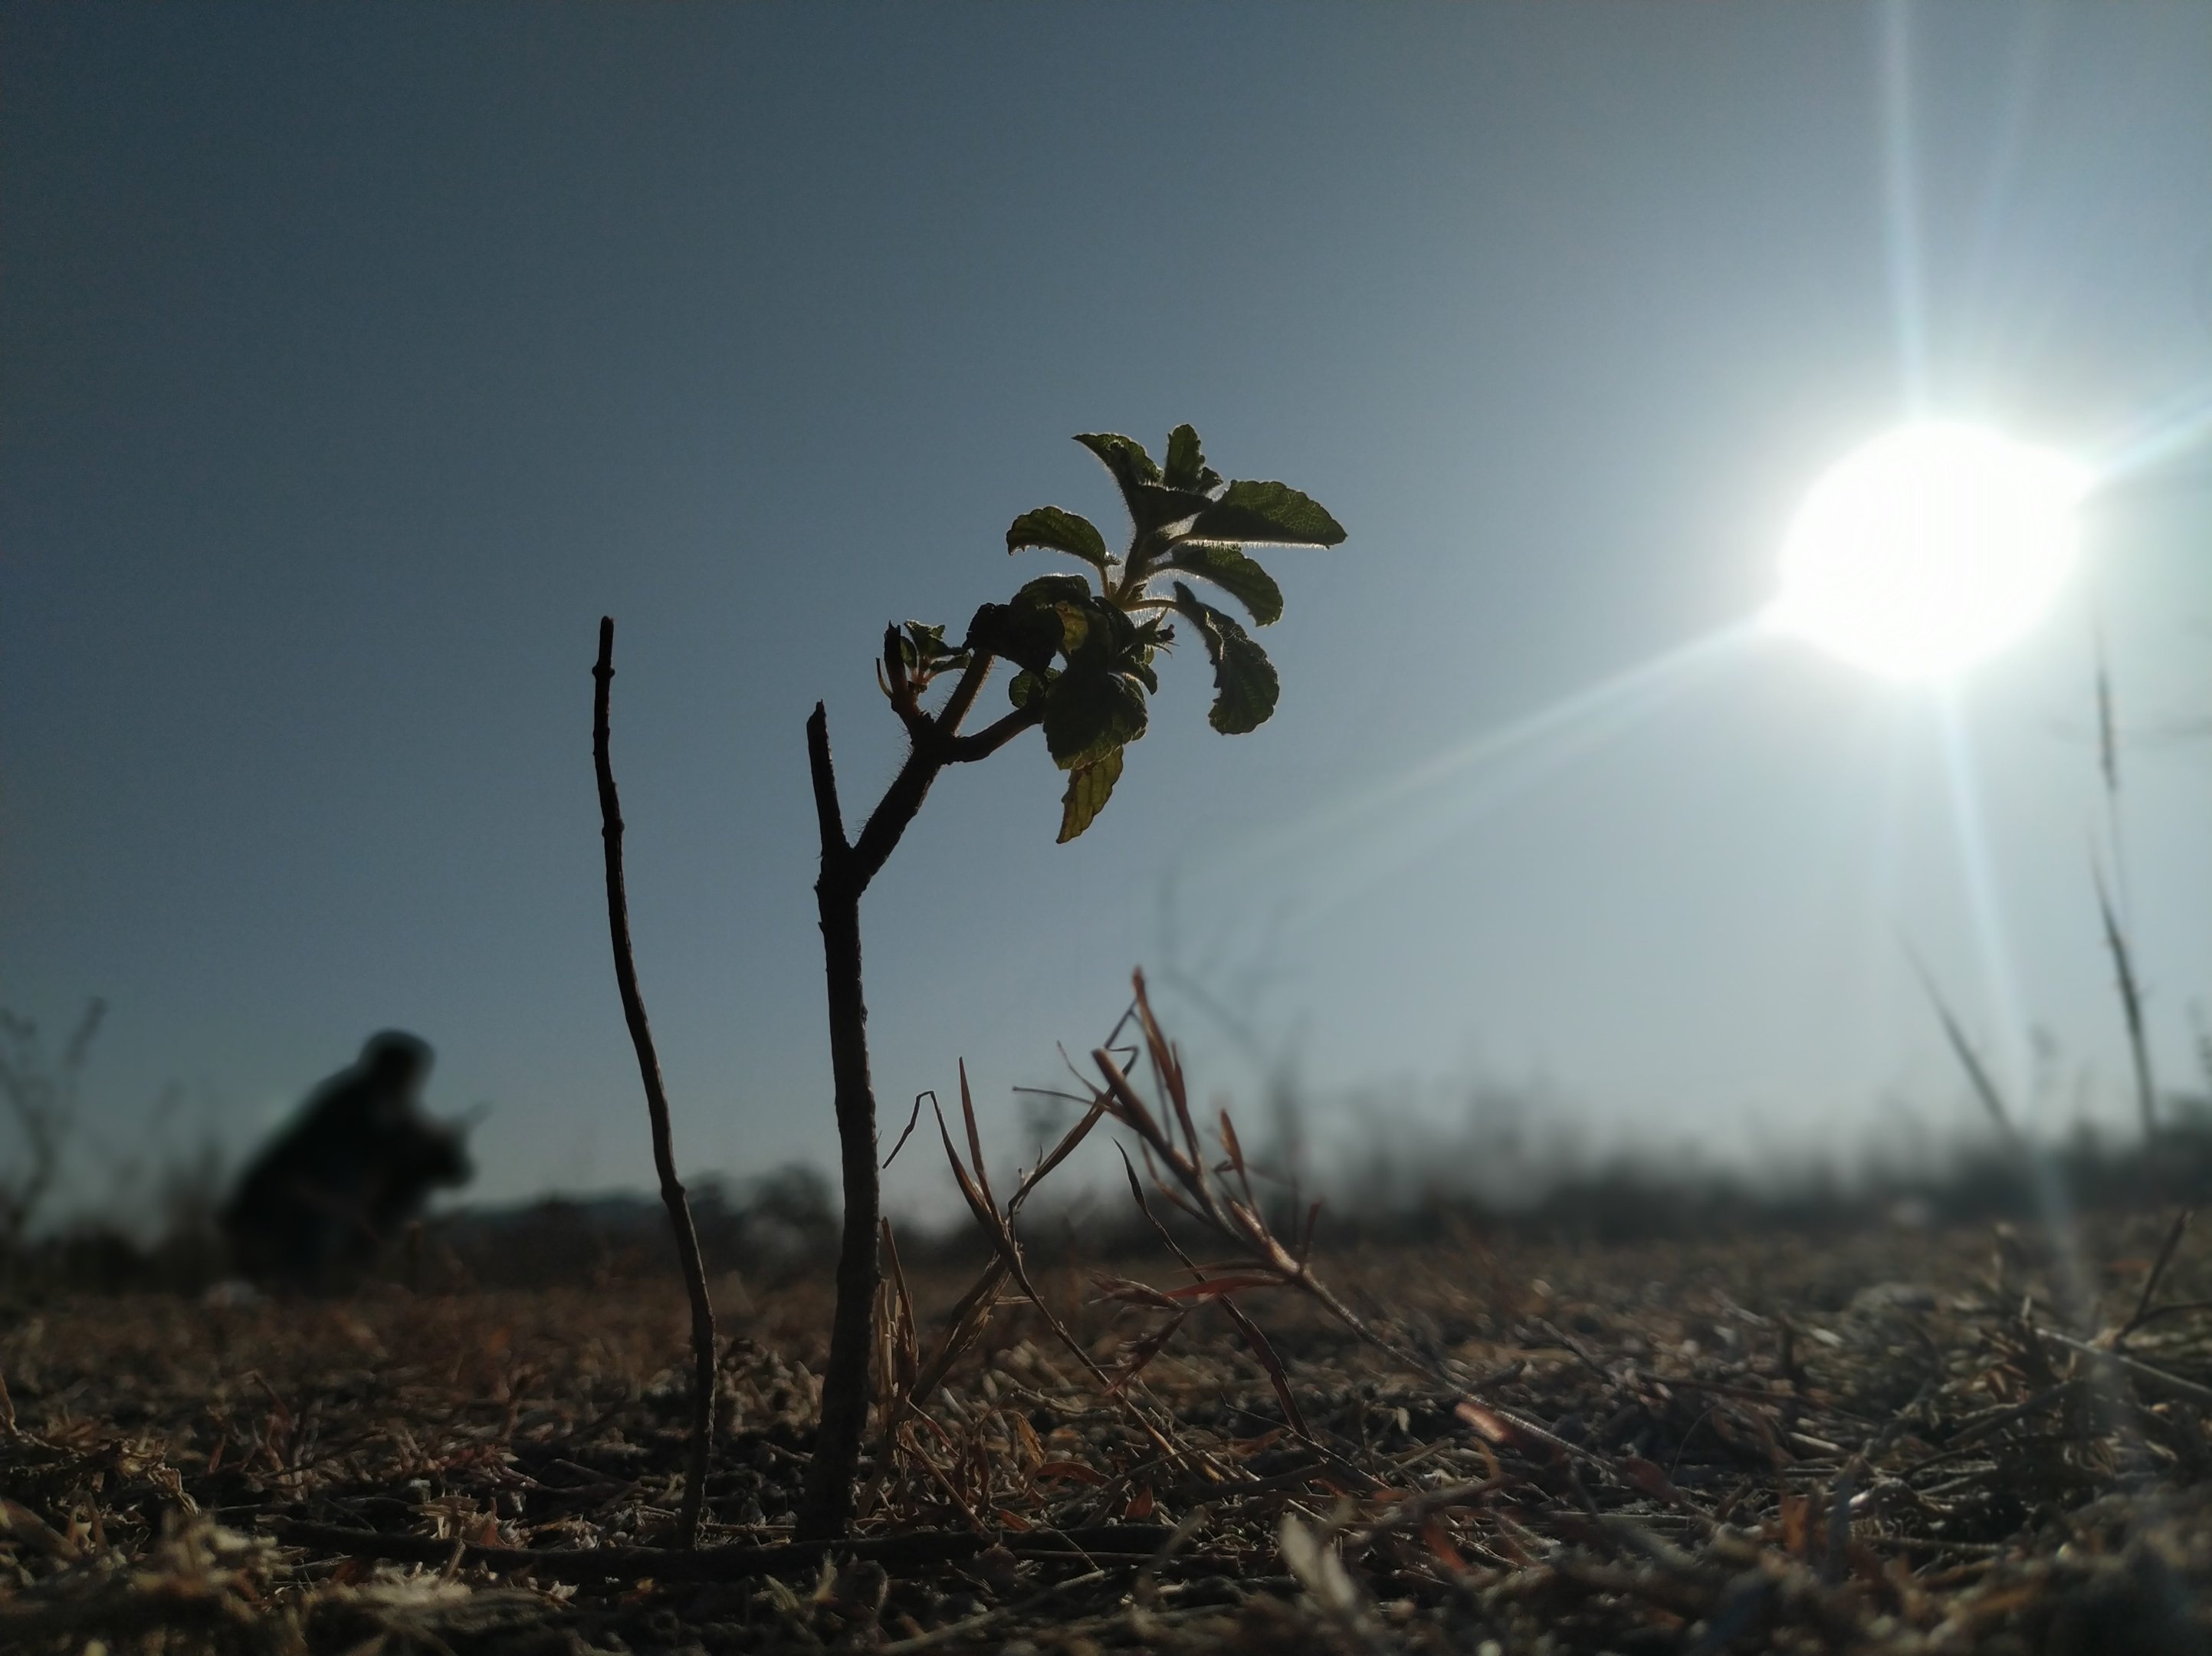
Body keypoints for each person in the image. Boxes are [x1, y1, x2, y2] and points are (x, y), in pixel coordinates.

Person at [221, 1031, 471, 1286]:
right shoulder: (350, 1104)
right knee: (341, 1173)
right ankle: (307, 1279)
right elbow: (367, 1143)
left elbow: (451, 1172)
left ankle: (354, 1273)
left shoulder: (398, 1117)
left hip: (338, 1221)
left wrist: (447, 1146)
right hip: (281, 1211)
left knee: (407, 1180)